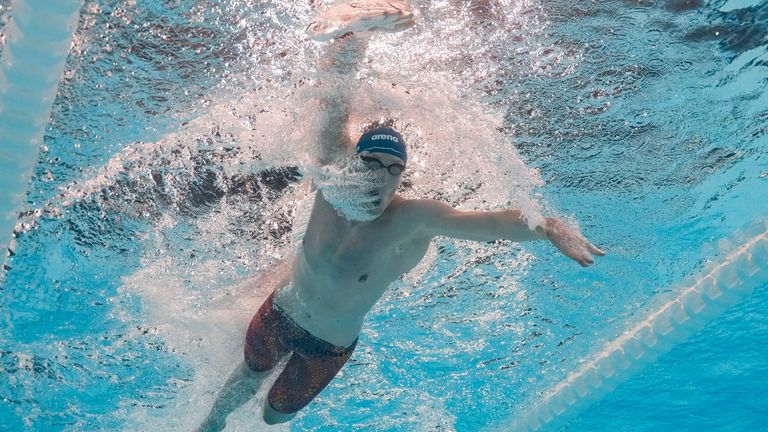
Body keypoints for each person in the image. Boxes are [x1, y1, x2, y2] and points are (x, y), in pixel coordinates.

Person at [198, 1, 604, 430]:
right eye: (372, 163)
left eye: (394, 170)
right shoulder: (331, 180)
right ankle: (209, 425)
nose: (382, 178)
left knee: (272, 417)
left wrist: (550, 228)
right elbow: (332, 102)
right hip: (282, 313)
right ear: (353, 161)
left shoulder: (411, 217)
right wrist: (357, 34)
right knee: (246, 378)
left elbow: (492, 224)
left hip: (328, 346)